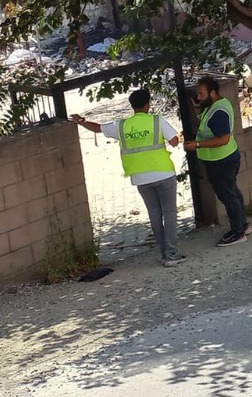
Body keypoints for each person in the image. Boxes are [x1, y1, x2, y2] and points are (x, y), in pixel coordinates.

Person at [71, 88, 187, 267]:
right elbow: (174, 141)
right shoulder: (157, 121)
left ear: (132, 106)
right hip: (164, 173)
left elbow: (98, 128)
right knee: (169, 213)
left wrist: (81, 121)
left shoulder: (122, 125)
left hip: (140, 178)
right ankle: (171, 254)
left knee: (154, 214)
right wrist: (177, 137)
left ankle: (164, 252)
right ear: (148, 104)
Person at [185, 75, 250, 247]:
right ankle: (242, 225)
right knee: (232, 192)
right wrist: (197, 106)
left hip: (222, 161)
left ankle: (237, 233)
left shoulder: (218, 112)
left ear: (212, 93)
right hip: (225, 158)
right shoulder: (216, 105)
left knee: (227, 196)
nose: (198, 96)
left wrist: (196, 145)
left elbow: (223, 139)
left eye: (201, 93)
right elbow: (206, 121)